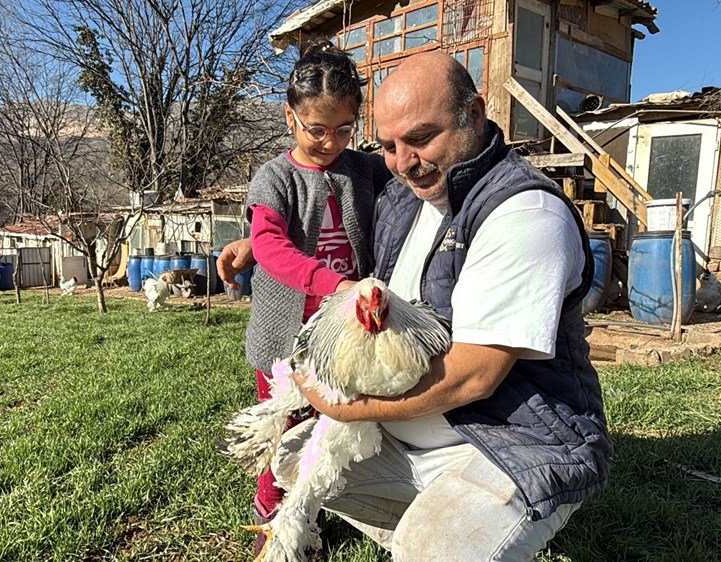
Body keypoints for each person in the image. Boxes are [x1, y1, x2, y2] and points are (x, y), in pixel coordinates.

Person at [219, 51, 612, 561]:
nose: (404, 161)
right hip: (401, 427)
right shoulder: (405, 193)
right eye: (388, 145)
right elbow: (283, 222)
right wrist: (259, 240)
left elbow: (474, 378)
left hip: (505, 442)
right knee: (292, 459)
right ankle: (429, 513)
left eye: (421, 138)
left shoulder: (523, 214)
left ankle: (477, 519)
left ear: (474, 113)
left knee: (429, 551)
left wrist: (337, 404)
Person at [240, 37, 392, 554]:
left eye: (344, 129)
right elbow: (270, 245)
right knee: (282, 428)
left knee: (330, 426)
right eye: (317, 129)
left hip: (342, 334)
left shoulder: (363, 170)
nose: (330, 141)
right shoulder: (276, 177)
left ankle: (314, 507)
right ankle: (273, 515)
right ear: (290, 117)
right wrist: (335, 284)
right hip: (286, 335)